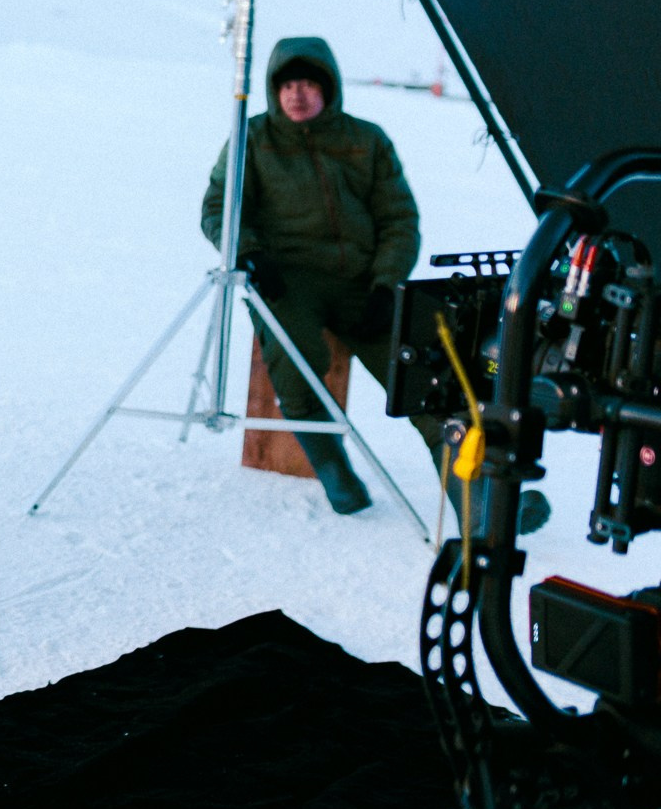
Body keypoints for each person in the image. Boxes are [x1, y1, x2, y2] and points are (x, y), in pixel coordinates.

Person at [203, 37, 548, 532]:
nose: (298, 94)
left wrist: (388, 285)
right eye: (288, 85)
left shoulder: (366, 140)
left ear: (330, 89)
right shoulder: (254, 140)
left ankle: (481, 506)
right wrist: (250, 254)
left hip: (364, 281)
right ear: (274, 90)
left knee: (432, 379)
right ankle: (335, 471)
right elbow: (219, 208)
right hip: (288, 278)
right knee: (294, 357)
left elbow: (399, 219)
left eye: (309, 84)